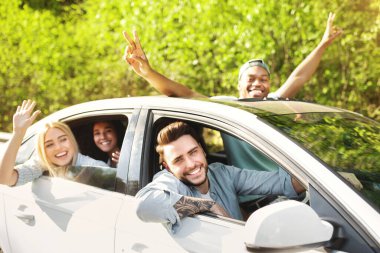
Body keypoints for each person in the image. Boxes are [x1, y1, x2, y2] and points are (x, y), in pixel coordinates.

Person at [123, 12, 342, 100]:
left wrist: (323, 44)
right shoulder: (230, 106)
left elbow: (298, 78)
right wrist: (148, 73)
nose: (258, 83)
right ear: (238, 84)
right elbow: (184, 93)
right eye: (251, 79)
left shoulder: (273, 102)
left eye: (264, 79)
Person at [135, 121, 305, 232]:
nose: (191, 164)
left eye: (193, 152)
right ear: (168, 168)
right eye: (178, 160)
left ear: (202, 150)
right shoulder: (171, 181)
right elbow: (143, 206)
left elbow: (283, 182)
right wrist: (206, 206)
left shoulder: (222, 173)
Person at [0, 100, 109, 187]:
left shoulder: (96, 167)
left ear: (71, 140)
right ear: (43, 150)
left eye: (63, 139)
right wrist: (18, 133)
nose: (58, 147)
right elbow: (4, 178)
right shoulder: (40, 165)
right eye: (49, 144)